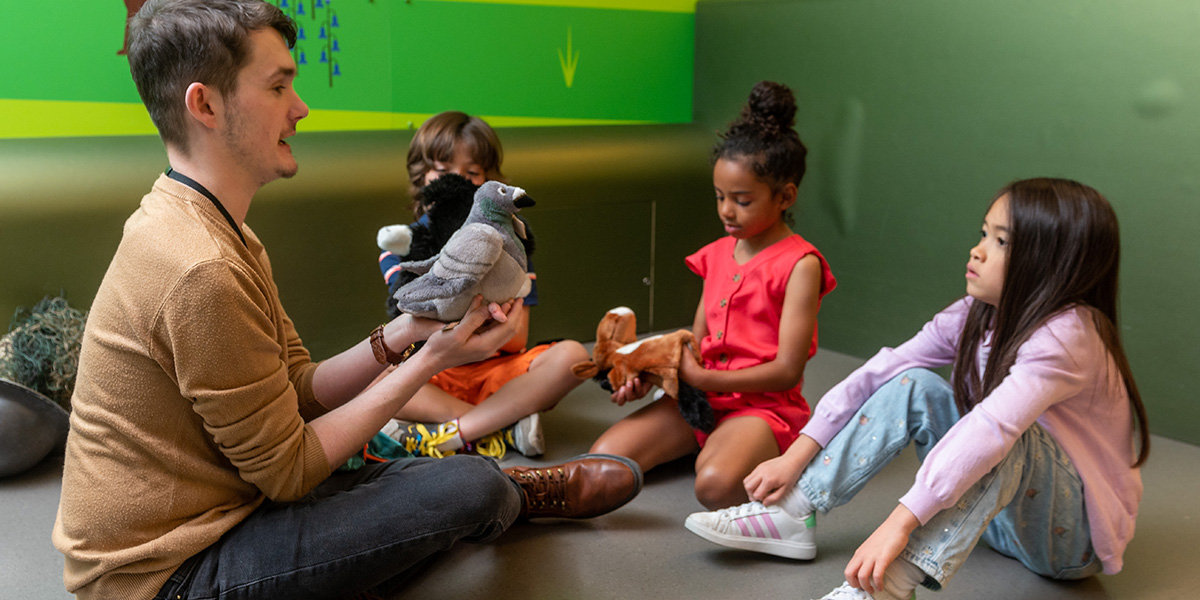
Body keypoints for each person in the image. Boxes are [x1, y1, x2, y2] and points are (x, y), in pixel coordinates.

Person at [51, 2, 642, 599]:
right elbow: (291, 471)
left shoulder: (208, 226)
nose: (301, 106)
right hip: (168, 575)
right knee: (470, 489)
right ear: (205, 104)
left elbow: (299, 391)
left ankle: (472, 497)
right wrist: (432, 360)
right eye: (279, 85)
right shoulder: (200, 268)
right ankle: (507, 497)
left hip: (235, 500)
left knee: (411, 472)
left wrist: (410, 329)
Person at [684, 178, 1149, 600]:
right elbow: (886, 368)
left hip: (1068, 542)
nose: (978, 250)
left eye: (1001, 241)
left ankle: (888, 585)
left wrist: (899, 524)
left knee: (1006, 437)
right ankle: (793, 514)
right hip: (995, 516)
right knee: (912, 382)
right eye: (984, 233)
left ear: (1054, 264)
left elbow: (991, 429)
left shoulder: (1068, 336)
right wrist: (797, 454)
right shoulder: (978, 311)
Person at [589, 81, 837, 510]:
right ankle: (707, 442)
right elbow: (696, 342)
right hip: (701, 398)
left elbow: (786, 370)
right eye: (720, 197)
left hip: (761, 408)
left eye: (742, 200)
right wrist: (650, 373)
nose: (726, 211)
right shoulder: (717, 253)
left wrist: (707, 380)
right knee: (602, 461)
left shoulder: (801, 264)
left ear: (785, 197)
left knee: (714, 488)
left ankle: (757, 453)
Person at [376, 111, 590, 460]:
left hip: (498, 369)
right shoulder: (404, 244)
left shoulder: (508, 243)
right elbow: (416, 328)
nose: (458, 181)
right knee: (376, 379)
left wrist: (470, 311)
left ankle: (460, 432)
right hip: (434, 369)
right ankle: (503, 422)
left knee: (572, 356)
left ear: (491, 184)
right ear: (423, 176)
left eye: (472, 173)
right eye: (444, 171)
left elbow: (517, 337)